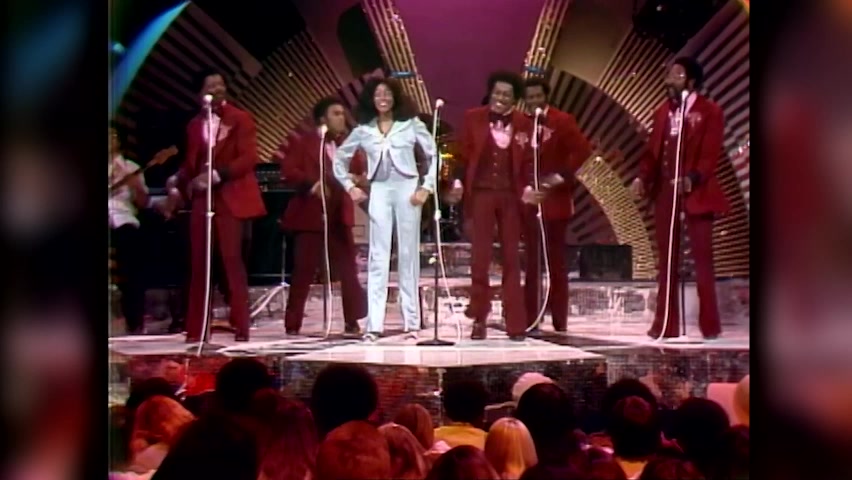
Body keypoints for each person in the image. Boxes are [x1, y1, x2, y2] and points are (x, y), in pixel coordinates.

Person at [332, 77, 438, 342]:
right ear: (371, 99)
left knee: (408, 255)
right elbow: (339, 160)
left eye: (387, 94)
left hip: (407, 188)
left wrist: (426, 188)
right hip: (379, 189)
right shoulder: (364, 129)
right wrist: (350, 187)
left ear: (395, 97)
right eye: (378, 94)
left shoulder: (410, 124)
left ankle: (411, 322)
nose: (383, 98)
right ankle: (374, 325)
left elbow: (433, 154)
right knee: (378, 256)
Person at [630, 57, 728, 340]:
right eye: (669, 73)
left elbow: (710, 154)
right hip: (665, 193)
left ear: (691, 81)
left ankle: (710, 325)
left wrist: (693, 178)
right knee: (667, 260)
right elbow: (652, 152)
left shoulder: (710, 111)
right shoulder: (662, 111)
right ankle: (665, 324)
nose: (669, 79)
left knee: (702, 260)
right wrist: (642, 178)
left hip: (697, 192)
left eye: (677, 74)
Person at [166, 68, 266, 343]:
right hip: (203, 200)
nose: (218, 88)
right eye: (211, 85)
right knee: (199, 264)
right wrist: (176, 180)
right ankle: (197, 329)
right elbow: (191, 164)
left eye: (221, 84)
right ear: (199, 94)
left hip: (230, 197)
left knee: (232, 263)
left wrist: (216, 174)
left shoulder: (240, 118)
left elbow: (249, 158)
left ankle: (241, 326)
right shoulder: (193, 125)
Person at [446, 71, 539, 340]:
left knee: (511, 258)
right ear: (490, 93)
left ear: (515, 99)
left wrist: (528, 187)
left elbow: (528, 162)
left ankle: (515, 322)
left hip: (510, 196)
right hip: (481, 194)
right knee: (480, 258)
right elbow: (462, 155)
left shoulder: (524, 123)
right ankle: (479, 318)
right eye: (497, 93)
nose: (501, 98)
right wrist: (457, 181)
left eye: (507, 95)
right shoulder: (473, 117)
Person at [281, 97, 368, 336]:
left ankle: (352, 319)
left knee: (348, 270)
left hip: (339, 214)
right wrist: (312, 184)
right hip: (311, 214)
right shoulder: (305, 142)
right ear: (323, 119)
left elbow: (358, 171)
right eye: (336, 113)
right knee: (304, 270)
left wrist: (358, 179)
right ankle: (293, 322)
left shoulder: (348, 144)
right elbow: (289, 170)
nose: (342, 118)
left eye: (342, 113)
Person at [520, 77, 591, 333]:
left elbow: (582, 151)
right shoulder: (521, 123)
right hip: (529, 202)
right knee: (531, 262)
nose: (534, 102)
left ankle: (559, 319)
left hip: (555, 201)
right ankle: (531, 317)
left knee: (556, 262)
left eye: (538, 96)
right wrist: (524, 188)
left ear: (546, 96)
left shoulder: (562, 120)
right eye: (530, 98)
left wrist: (560, 177)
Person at [109, 123, 149, 335]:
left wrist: (136, 185)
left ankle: (135, 321)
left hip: (124, 219)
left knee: (132, 264)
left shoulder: (132, 167)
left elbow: (143, 203)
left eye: (113, 135)